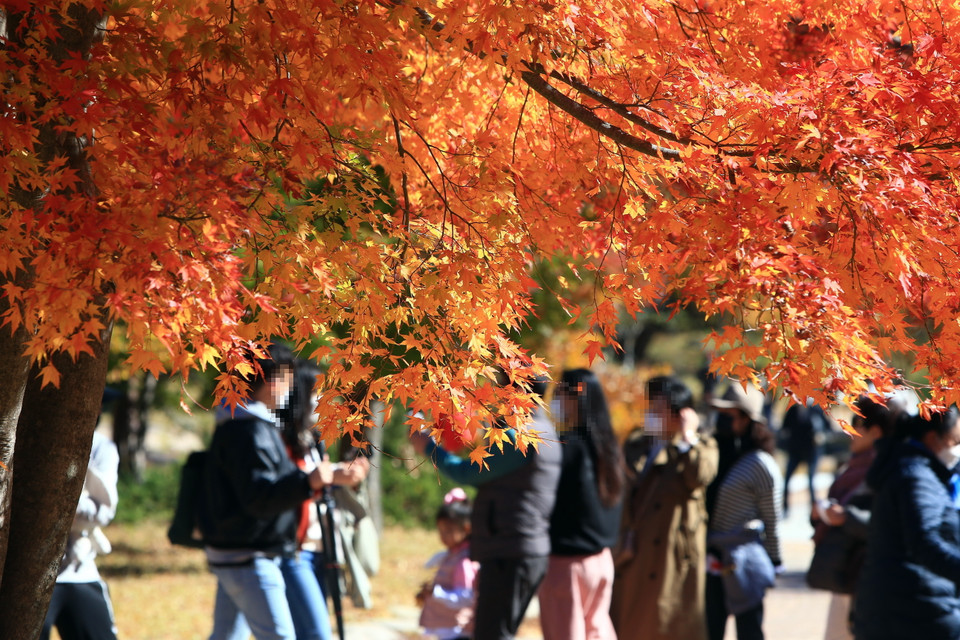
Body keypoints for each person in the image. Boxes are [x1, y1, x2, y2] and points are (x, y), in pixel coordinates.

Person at [200, 341, 335, 640]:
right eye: (287, 379)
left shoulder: (243, 425)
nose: (291, 390)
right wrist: (307, 482)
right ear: (271, 380)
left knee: (225, 635)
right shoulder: (251, 430)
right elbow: (259, 496)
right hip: (251, 554)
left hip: (236, 551)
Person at [410, 375, 562, 640]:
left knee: (492, 634)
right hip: (521, 548)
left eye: (501, 388)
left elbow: (468, 472)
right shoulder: (543, 429)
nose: (496, 395)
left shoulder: (521, 437)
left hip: (509, 550)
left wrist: (429, 448)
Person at [610, 375, 718, 640]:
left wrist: (687, 436)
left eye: (658, 408)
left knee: (668, 624)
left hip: (673, 556)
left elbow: (699, 476)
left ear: (679, 414)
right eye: (650, 407)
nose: (651, 414)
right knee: (630, 622)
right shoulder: (637, 444)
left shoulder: (701, 446)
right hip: (634, 551)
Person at [276, 360, 370, 640]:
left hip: (322, 547)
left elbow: (320, 478)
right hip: (295, 548)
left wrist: (343, 474)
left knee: (302, 631)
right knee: (317, 633)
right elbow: (293, 482)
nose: (322, 401)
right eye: (316, 394)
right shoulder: (281, 439)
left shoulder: (313, 438)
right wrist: (332, 475)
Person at [854, 407, 960, 640]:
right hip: (911, 611)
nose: (957, 448)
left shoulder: (922, 473)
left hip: (906, 606)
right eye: (955, 440)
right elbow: (925, 542)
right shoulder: (916, 478)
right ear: (933, 438)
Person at [540, 368, 624, 640]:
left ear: (575, 399)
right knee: (597, 631)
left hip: (567, 564)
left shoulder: (567, 448)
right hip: (601, 561)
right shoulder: (609, 446)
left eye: (560, 393)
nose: (555, 400)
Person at [812, 396, 899, 640]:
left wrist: (845, 517)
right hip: (846, 573)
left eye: (855, 423)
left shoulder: (886, 470)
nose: (848, 430)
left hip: (869, 578)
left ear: (875, 431)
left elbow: (888, 525)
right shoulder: (854, 466)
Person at [706, 381, 783, 640]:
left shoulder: (760, 463)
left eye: (731, 414)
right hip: (710, 557)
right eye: (721, 412)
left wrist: (774, 560)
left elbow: (772, 516)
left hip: (744, 559)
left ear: (748, 419)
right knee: (709, 628)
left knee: (749, 630)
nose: (724, 419)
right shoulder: (712, 451)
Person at [41, 427, 120, 640]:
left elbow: (103, 511)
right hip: (28, 575)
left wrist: (53, 504)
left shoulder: (101, 446)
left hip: (80, 570)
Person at [417, 488, 479, 640]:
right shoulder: (451, 556)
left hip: (457, 630)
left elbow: (465, 597)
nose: (443, 536)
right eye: (441, 531)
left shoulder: (464, 563)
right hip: (447, 629)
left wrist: (436, 593)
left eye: (449, 531)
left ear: (466, 529)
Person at [781, 398, 829, 515]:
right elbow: (784, 428)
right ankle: (785, 508)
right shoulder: (792, 410)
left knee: (811, 481)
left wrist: (821, 436)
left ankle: (813, 510)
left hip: (811, 451)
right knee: (787, 480)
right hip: (795, 451)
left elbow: (827, 427)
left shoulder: (816, 409)